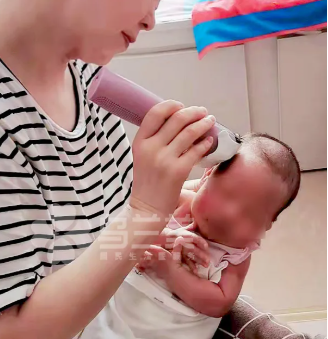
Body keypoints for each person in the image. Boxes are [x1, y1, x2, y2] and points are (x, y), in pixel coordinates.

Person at [0, 0, 211, 339]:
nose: (150, 20)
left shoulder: (82, 69)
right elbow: (5, 333)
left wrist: (176, 203)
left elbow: (98, 221)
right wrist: (145, 214)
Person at [81, 133, 301, 339]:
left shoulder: (237, 255)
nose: (229, 214)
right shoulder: (176, 201)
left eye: (250, 214)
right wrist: (165, 237)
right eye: (225, 193)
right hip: (117, 309)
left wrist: (171, 271)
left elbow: (220, 304)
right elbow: (123, 230)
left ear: (265, 226)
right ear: (206, 178)